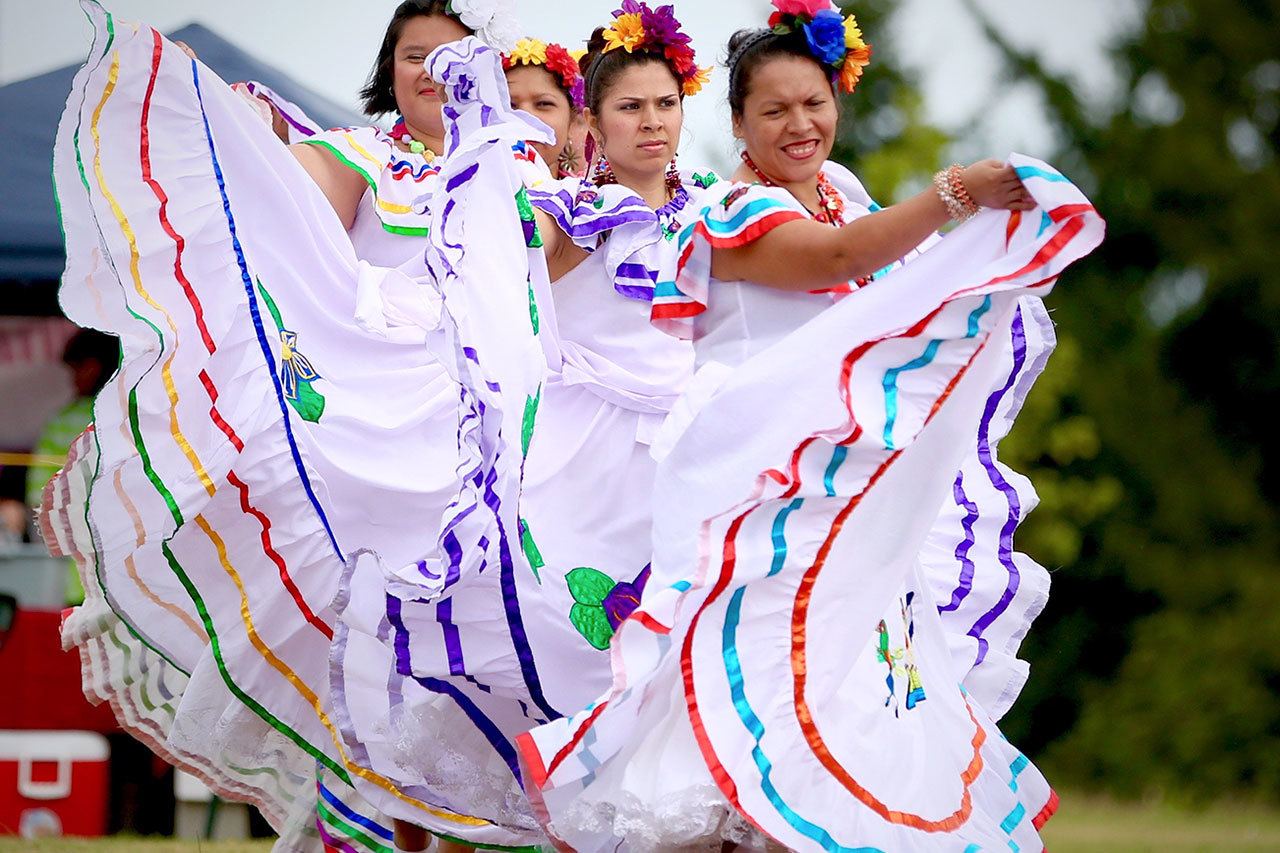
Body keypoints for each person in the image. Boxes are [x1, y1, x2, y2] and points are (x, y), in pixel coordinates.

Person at [516, 2, 1106, 850]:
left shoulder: (841, 195)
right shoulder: (732, 213)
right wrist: (958, 193)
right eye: (774, 110)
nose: (800, 124)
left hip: (835, 494)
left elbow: (889, 285)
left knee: (838, 708)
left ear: (837, 100)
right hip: (753, 490)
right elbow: (839, 259)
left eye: (813, 103)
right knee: (748, 718)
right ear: (737, 124)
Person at [46, 1, 536, 850]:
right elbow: (282, 212)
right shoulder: (365, 158)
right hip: (379, 445)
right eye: (413, 55)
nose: (431, 72)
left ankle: (465, 822)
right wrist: (254, 150)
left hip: (498, 440)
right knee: (376, 647)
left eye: (451, 57)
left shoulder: (521, 168)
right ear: (388, 72)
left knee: (483, 649)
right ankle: (381, 826)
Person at [327, 5, 719, 851]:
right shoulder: (571, 211)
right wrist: (487, 156)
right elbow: (503, 255)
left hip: (683, 467)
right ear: (595, 125)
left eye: (665, 104)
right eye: (630, 106)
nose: (650, 121)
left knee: (682, 666)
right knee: (550, 651)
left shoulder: (717, 211)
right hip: (576, 467)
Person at [503, 38, 587, 179]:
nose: (525, 118)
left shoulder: (590, 193)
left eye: (543, 104)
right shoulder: (465, 190)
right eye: (509, 105)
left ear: (572, 122)